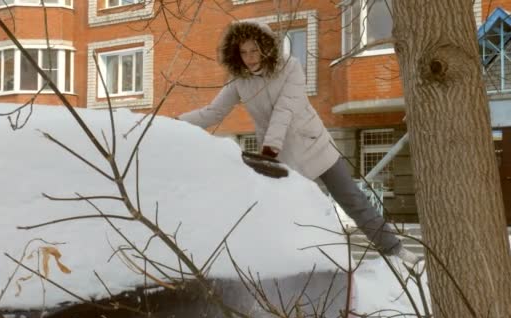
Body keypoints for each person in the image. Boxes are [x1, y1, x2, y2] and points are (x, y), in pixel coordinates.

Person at [177, 21, 420, 267]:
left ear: (265, 48)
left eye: (254, 50)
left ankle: (395, 249)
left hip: (315, 147)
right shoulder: (240, 81)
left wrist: (269, 149)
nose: (249, 58)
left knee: (352, 199)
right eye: (243, 52)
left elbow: (284, 111)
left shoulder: (290, 68)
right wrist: (174, 123)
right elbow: (213, 112)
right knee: (284, 212)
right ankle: (289, 264)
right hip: (284, 157)